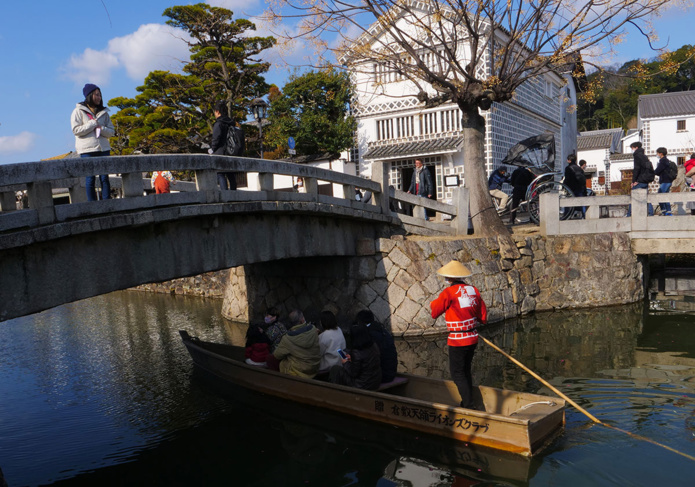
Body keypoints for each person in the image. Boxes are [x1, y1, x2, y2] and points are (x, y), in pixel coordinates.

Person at [430, 260, 487, 409]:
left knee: (457, 373)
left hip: (458, 339)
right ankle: (467, 402)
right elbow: (483, 317)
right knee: (465, 370)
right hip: (472, 337)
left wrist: (433, 303)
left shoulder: (448, 292)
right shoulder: (474, 290)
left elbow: (434, 312)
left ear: (448, 278)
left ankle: (468, 406)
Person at [71, 83, 115, 201]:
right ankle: (92, 204)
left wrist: (102, 128)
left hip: (103, 148)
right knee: (90, 178)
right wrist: (92, 124)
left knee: (104, 177)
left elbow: (111, 132)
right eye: (96, 95)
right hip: (87, 149)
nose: (99, 97)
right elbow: (76, 130)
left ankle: (106, 202)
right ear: (89, 95)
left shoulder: (104, 113)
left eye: (100, 95)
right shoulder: (78, 111)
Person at [329, 323, 382, 390]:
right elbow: (365, 364)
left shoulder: (356, 352)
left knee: (335, 369)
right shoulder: (374, 346)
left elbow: (353, 373)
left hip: (362, 385)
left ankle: (335, 392)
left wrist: (345, 363)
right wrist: (352, 359)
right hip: (375, 381)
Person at [272, 309, 321, 378]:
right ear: (302, 320)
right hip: (314, 367)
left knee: (272, 359)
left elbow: (277, 355)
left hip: (299, 371)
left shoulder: (287, 339)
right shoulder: (313, 329)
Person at [211, 100, 245, 190]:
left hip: (221, 152)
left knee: (220, 173)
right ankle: (233, 195)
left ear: (217, 112)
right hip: (231, 152)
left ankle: (225, 194)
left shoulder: (219, 124)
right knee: (230, 174)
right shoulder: (231, 123)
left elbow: (216, 139)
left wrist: (212, 149)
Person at [356, 309, 398, 382]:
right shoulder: (382, 330)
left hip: (381, 376)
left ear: (360, 322)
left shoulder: (369, 335)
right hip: (391, 372)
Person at [627, 141, 654, 217]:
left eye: (632, 148)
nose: (632, 150)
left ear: (636, 147)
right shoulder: (644, 156)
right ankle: (650, 213)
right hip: (645, 179)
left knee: (634, 196)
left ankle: (629, 214)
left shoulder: (637, 156)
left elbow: (637, 169)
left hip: (640, 180)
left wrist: (634, 181)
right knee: (646, 197)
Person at [564, 154, 587, 218]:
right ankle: (584, 215)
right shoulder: (579, 169)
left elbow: (567, 179)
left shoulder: (568, 168)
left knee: (568, 202)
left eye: (568, 159)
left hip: (571, 188)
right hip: (579, 188)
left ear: (569, 160)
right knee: (581, 202)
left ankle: (567, 215)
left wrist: (564, 185)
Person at [654, 147, 674, 216]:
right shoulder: (666, 161)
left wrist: (652, 172)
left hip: (665, 181)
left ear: (661, 154)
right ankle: (667, 212)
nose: (657, 155)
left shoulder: (663, 161)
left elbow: (657, 170)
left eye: (657, 153)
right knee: (664, 195)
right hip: (667, 180)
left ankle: (666, 212)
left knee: (661, 195)